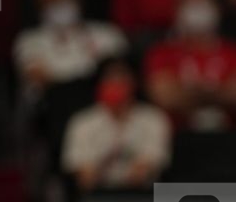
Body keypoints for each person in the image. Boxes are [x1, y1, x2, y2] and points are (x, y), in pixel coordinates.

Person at [143, 0, 236, 131]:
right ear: (178, 9)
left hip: (229, 134)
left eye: (204, 2)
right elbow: (164, 97)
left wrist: (188, 93)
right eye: (192, 2)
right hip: (180, 134)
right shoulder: (162, 53)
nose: (198, 8)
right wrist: (220, 91)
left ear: (217, 9)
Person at [62, 59, 172, 191]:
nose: (116, 85)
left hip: (143, 196)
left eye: (122, 80)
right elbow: (85, 178)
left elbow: (145, 170)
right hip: (97, 196)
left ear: (134, 83)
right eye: (110, 79)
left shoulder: (153, 118)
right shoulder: (83, 122)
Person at [13, 0, 128, 97]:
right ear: (39, 7)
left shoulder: (108, 33)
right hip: (54, 105)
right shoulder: (29, 41)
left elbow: (118, 74)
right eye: (50, 0)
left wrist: (57, 74)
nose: (59, 4)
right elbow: (38, 78)